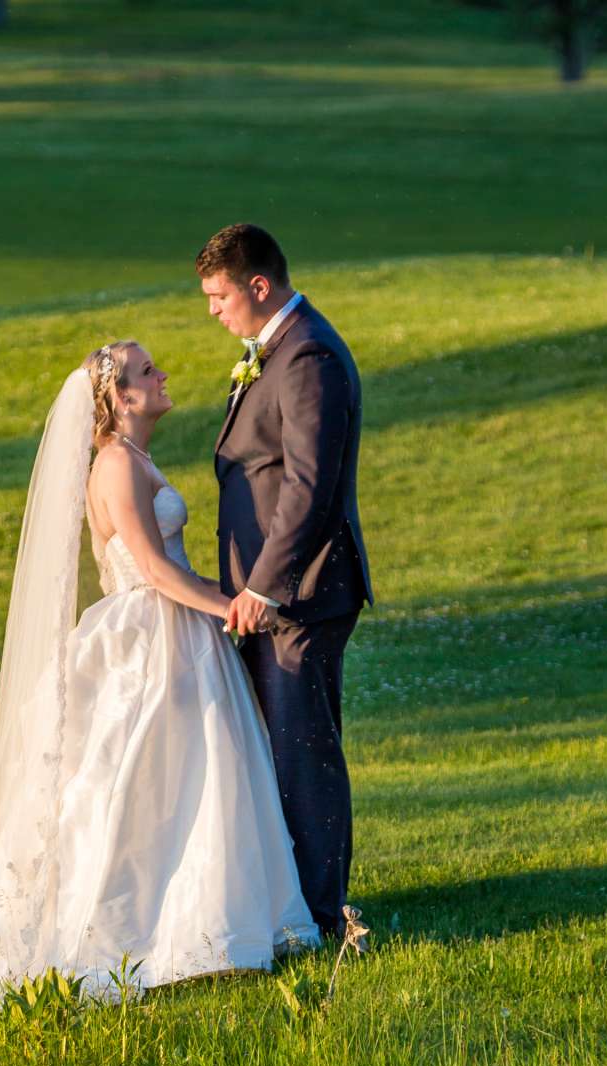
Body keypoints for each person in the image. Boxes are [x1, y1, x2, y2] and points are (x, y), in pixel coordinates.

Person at [0, 340, 317, 1002]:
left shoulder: (136, 458)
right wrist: (232, 608)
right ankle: (142, 929)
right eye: (147, 371)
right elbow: (152, 567)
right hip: (148, 633)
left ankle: (204, 922)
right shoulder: (115, 464)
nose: (163, 375)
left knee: (181, 781)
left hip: (172, 627)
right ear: (120, 398)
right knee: (135, 783)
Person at [198, 223, 372, 938]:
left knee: (304, 757)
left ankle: (323, 916)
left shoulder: (308, 358)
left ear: (258, 286)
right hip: (268, 601)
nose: (212, 310)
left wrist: (263, 588)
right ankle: (291, 905)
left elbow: (307, 488)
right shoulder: (275, 352)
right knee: (279, 753)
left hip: (298, 599)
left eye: (218, 295)